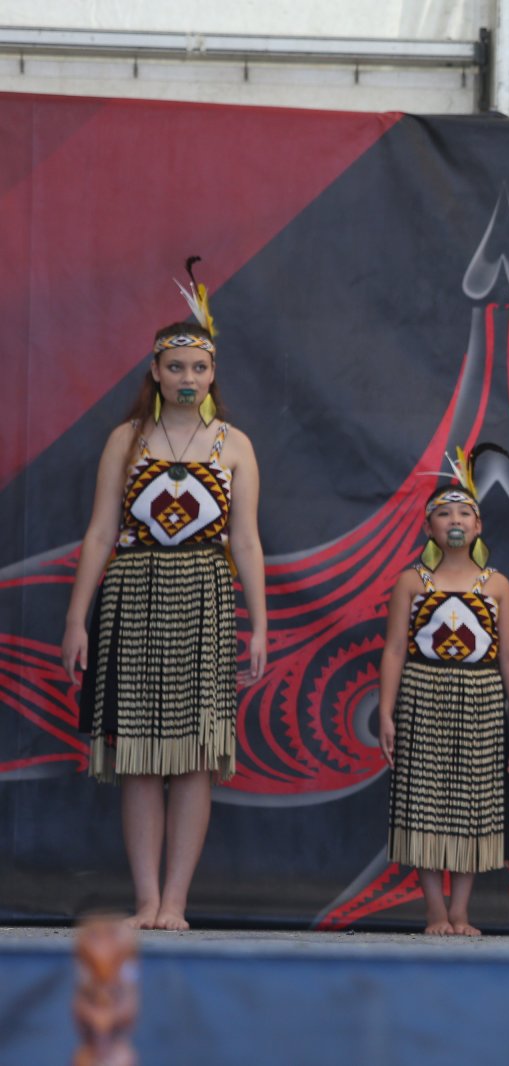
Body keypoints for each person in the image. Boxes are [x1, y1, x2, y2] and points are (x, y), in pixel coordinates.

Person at [61, 262, 267, 930]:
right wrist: (76, 619)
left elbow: (246, 542)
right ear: (154, 371)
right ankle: (147, 899)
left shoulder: (234, 446)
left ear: (212, 374)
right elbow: (99, 533)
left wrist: (260, 625)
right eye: (175, 366)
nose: (187, 377)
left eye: (198, 368)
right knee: (141, 756)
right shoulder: (127, 441)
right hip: (133, 595)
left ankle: (176, 902)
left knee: (195, 757)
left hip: (203, 598)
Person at [377, 443, 509, 936]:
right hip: (422, 697)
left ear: (479, 525)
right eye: (444, 514)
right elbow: (395, 650)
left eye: (464, 512)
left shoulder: (497, 586)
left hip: (481, 701)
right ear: (429, 528)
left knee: (472, 803)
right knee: (423, 799)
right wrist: (387, 712)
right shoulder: (412, 582)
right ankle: (434, 911)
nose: (455, 520)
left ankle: (460, 911)